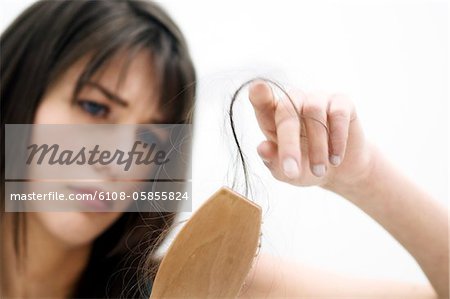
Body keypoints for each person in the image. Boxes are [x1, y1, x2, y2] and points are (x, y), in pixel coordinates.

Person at [0, 1, 447, 298]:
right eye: (95, 107)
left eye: (151, 137)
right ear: (16, 92)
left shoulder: (198, 282)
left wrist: (363, 177)